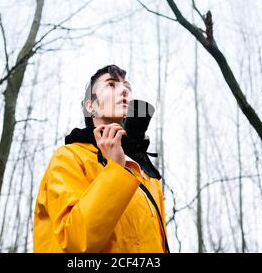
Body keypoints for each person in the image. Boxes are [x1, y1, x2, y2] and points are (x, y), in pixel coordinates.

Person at [33, 64, 168, 253]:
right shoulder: (68, 158)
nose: (123, 91)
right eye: (112, 85)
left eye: (126, 87)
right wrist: (115, 170)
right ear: (91, 106)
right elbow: (76, 241)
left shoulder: (145, 172)